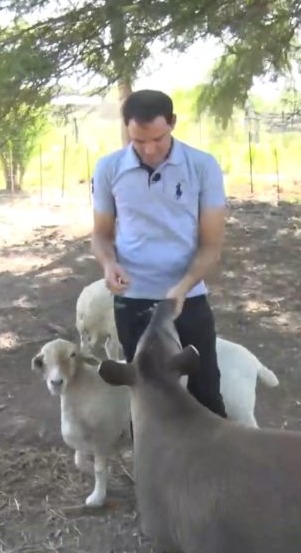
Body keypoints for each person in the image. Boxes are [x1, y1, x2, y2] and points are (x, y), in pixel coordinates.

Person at [90, 89, 228, 419]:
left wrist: (182, 288)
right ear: (126, 130)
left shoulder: (203, 166)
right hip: (133, 300)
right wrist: (109, 264)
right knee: (146, 399)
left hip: (188, 297)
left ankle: (214, 467)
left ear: (173, 124)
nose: (149, 150)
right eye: (139, 141)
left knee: (206, 391)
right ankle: (154, 468)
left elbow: (211, 245)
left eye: (158, 139)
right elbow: (100, 235)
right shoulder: (108, 169)